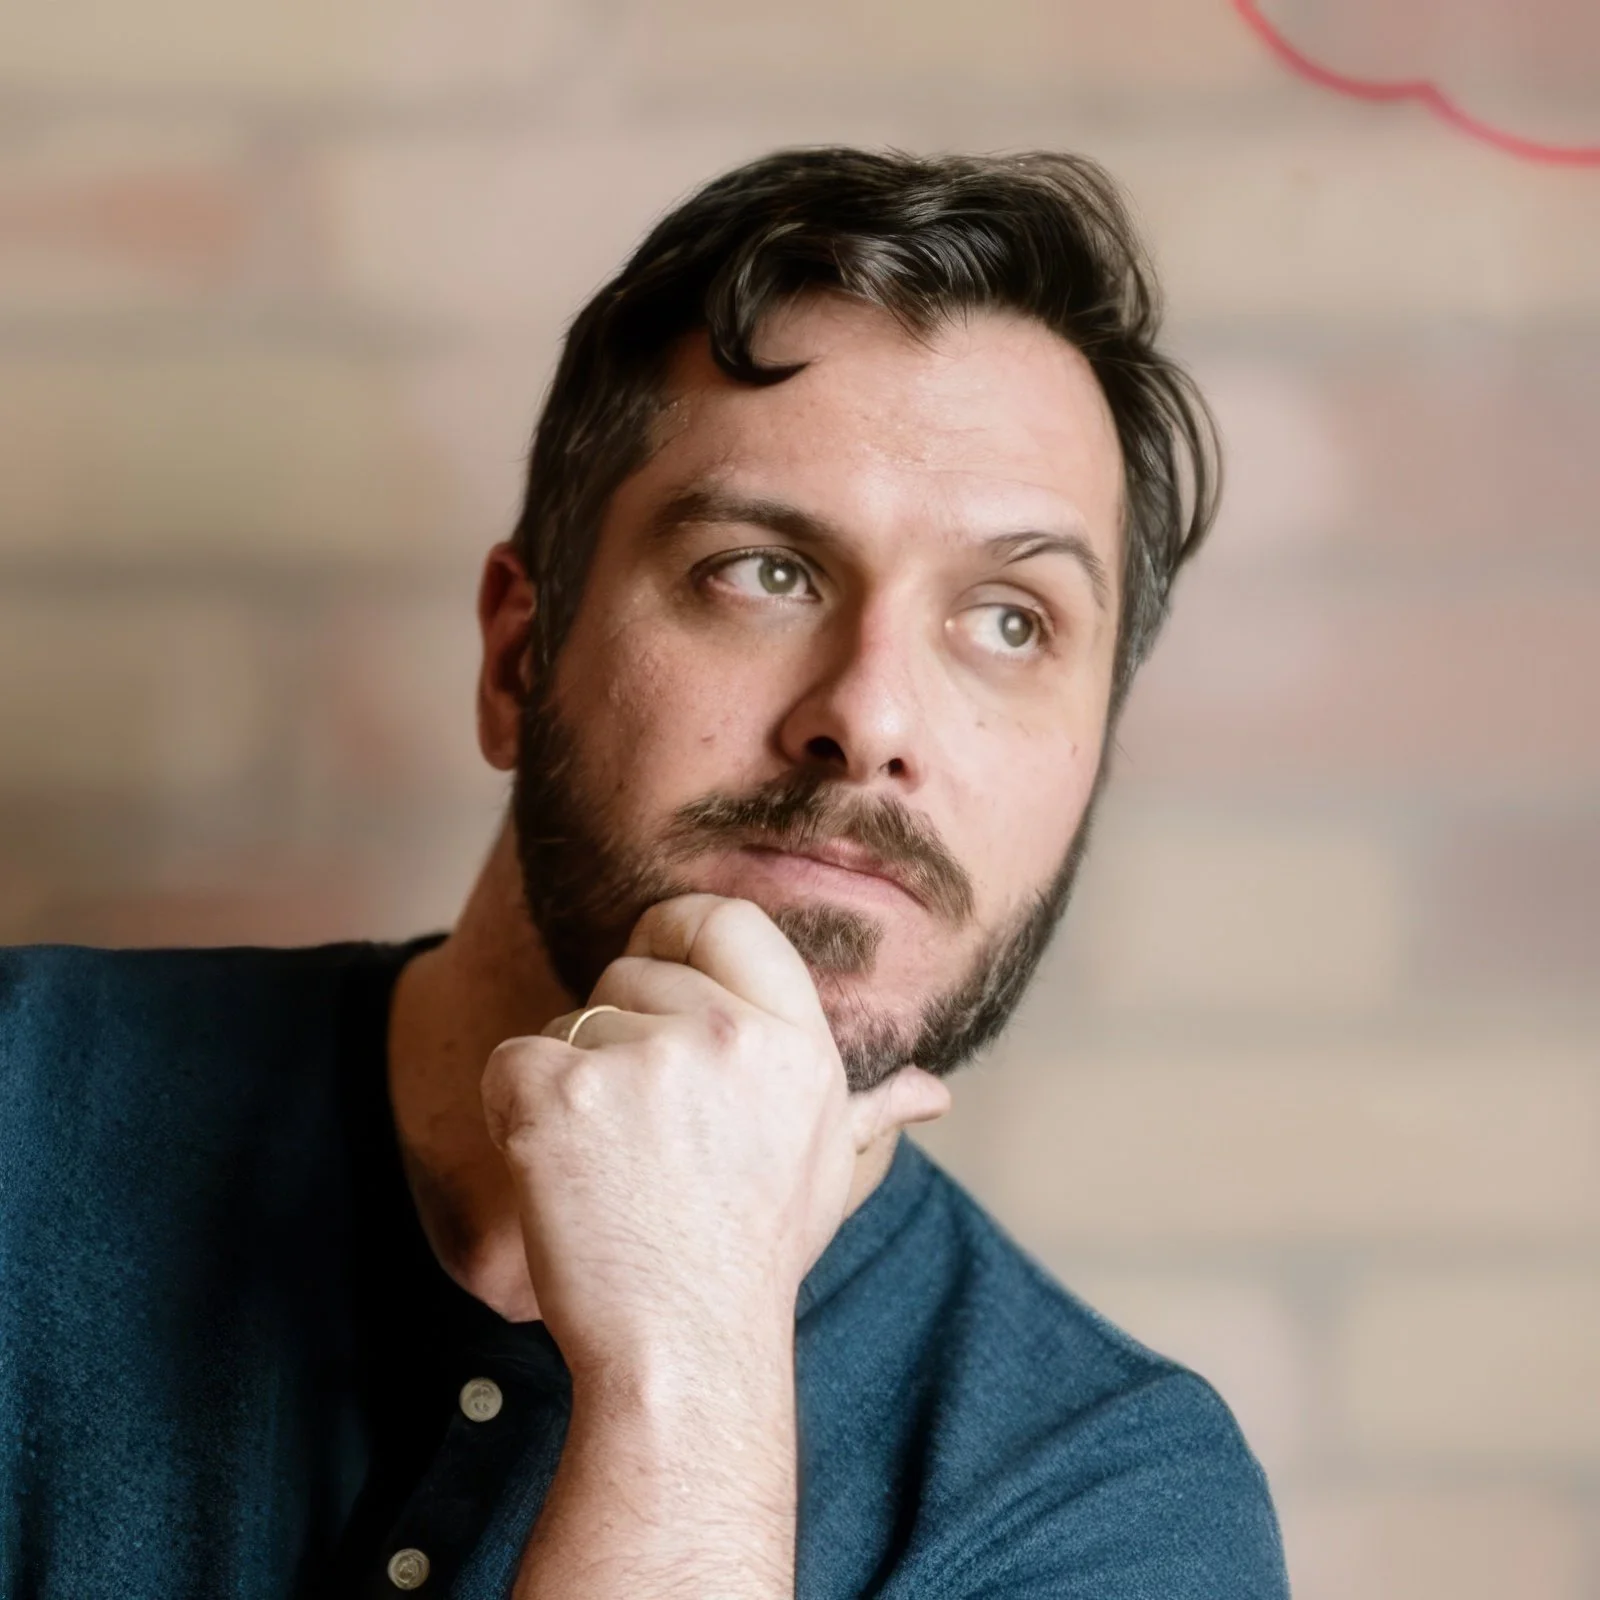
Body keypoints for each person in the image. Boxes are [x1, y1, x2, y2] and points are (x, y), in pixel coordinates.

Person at [0, 147, 1289, 1598]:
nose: (869, 718)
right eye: (766, 571)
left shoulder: (1109, 1506)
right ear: (519, 655)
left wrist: (690, 1358)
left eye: (1010, 621)